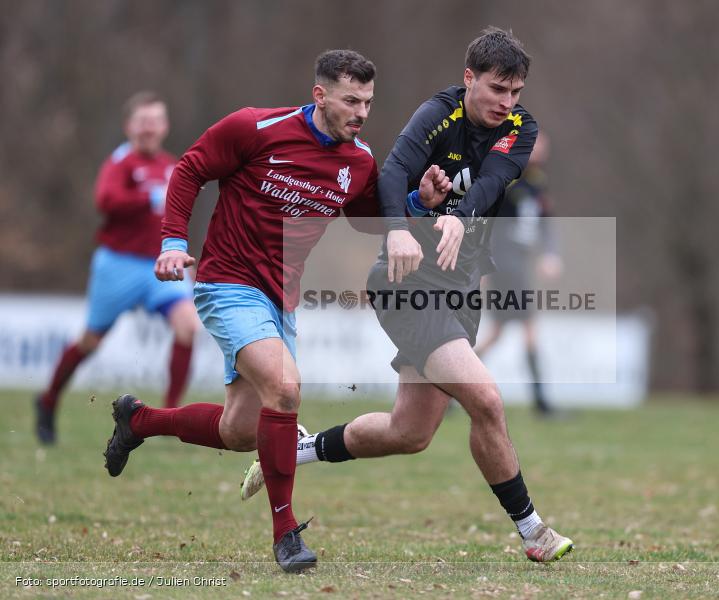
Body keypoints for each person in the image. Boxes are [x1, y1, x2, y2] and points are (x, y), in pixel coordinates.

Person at [101, 50, 451, 573]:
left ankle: (140, 420)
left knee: (241, 431)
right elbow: (191, 168)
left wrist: (418, 204)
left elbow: (369, 223)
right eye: (351, 100)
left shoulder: (357, 162)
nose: (361, 112)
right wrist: (173, 240)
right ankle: (286, 532)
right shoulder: (256, 128)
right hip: (226, 284)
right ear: (320, 95)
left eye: (369, 102)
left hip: (280, 302)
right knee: (286, 389)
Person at [241, 28, 574, 563]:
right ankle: (534, 530)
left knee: (410, 431)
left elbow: (492, 181)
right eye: (496, 90)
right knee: (486, 398)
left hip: (463, 286)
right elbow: (392, 169)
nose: (507, 103)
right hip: (408, 286)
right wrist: (398, 226)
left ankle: (295, 449)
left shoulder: (520, 128)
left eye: (515, 92)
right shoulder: (436, 114)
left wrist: (460, 218)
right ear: (469, 79)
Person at [34, 92, 199, 445]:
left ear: (165, 126)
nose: (149, 128)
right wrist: (146, 197)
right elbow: (105, 201)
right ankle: (47, 401)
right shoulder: (120, 162)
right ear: (129, 126)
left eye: (155, 121)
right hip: (118, 264)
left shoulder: (172, 166)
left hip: (158, 263)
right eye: (143, 121)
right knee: (90, 341)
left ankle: (169, 417)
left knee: (187, 325)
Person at [474, 131, 562, 416]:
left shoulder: (538, 182)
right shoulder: (509, 176)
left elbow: (546, 221)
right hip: (505, 260)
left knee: (497, 332)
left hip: (517, 261)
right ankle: (541, 402)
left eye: (544, 145)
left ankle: (450, 389)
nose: (541, 150)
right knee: (529, 326)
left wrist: (549, 253)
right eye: (536, 144)